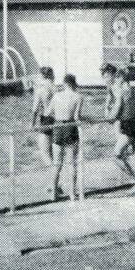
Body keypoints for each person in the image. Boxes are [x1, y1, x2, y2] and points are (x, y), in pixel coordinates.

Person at [102, 64, 135, 195]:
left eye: (116, 79)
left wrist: (108, 117)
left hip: (127, 126)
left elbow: (115, 114)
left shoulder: (121, 93)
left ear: (120, 79)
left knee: (116, 155)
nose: (115, 81)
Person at [46, 73, 83, 201]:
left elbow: (48, 112)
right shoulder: (78, 97)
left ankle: (53, 194)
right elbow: (77, 117)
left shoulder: (57, 96)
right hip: (70, 127)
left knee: (57, 164)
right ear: (74, 84)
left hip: (57, 127)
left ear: (64, 84)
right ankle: (72, 194)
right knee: (72, 163)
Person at [29, 67, 55, 168]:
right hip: (58, 120)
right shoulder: (56, 88)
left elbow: (35, 109)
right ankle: (57, 180)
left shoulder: (40, 89)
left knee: (44, 152)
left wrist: (32, 124)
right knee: (52, 152)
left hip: (46, 119)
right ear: (52, 75)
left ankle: (56, 177)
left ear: (42, 76)